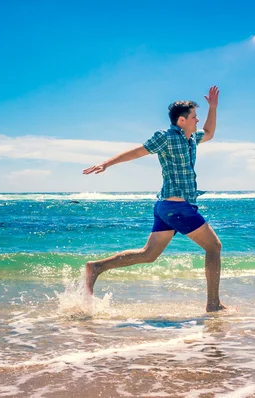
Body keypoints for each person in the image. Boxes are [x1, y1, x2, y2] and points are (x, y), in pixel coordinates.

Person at [82, 86, 225, 312]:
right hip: (176, 207)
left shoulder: (191, 139)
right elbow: (138, 151)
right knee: (214, 247)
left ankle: (97, 267)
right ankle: (213, 305)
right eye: (194, 117)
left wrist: (213, 107)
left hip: (166, 207)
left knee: (148, 255)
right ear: (181, 120)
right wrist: (107, 163)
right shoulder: (166, 137)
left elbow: (209, 132)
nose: (198, 121)